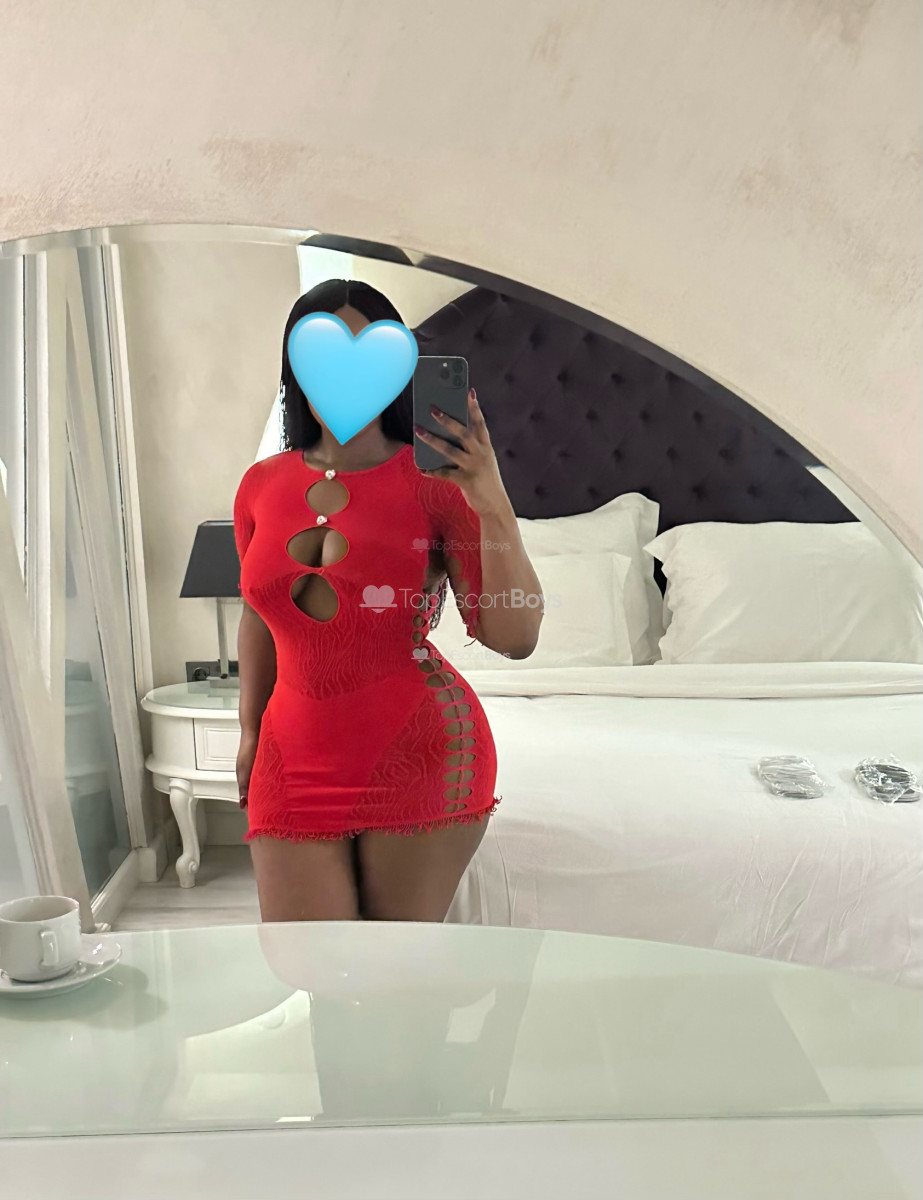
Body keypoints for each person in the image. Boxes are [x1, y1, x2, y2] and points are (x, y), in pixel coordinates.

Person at [234, 279, 542, 923]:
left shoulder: (439, 485)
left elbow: (514, 637)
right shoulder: (259, 485)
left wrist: (492, 501)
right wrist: (249, 732)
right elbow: (258, 619)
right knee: (307, 964)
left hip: (420, 750)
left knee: (395, 974)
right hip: (291, 754)